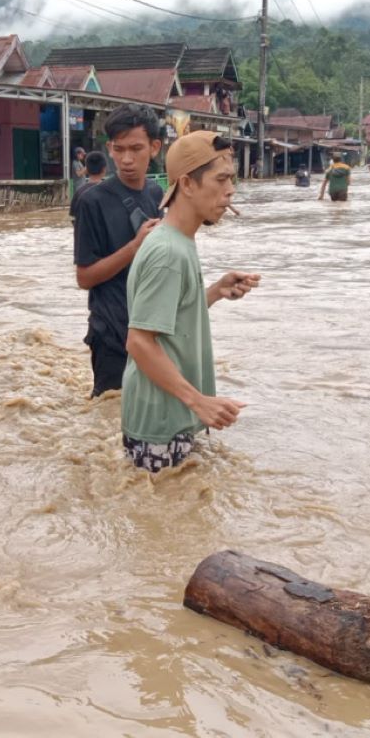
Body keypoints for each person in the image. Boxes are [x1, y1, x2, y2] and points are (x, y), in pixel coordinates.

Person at [121, 131, 260, 472]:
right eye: (222, 179)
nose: (231, 191)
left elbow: (170, 320)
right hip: (160, 423)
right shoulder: (168, 252)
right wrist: (198, 401)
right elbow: (139, 342)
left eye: (232, 180)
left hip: (171, 413)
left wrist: (213, 292)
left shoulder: (177, 240)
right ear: (187, 184)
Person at [73, 104, 165, 397]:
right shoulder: (92, 201)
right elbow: (84, 277)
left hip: (152, 328)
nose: (126, 159)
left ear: (154, 147)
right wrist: (135, 246)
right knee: (112, 417)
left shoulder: (155, 193)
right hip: (111, 333)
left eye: (136, 148)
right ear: (110, 149)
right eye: (118, 149)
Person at [69, 151, 108, 222]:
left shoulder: (79, 193)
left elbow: (74, 217)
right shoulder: (110, 191)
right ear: (104, 170)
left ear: (87, 170)